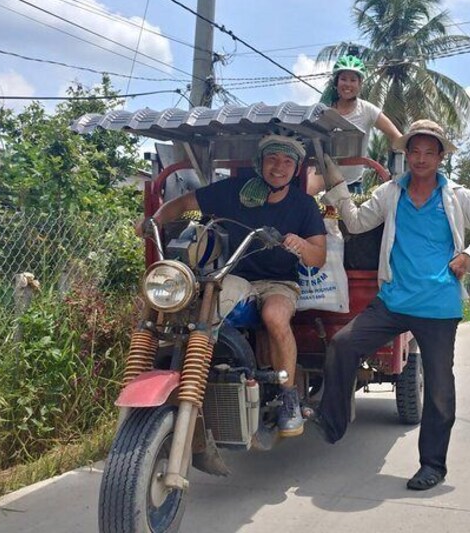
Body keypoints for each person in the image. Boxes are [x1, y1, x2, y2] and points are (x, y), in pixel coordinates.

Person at [308, 119, 470, 490]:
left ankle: (432, 466)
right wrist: (335, 186)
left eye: (430, 152)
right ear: (406, 153)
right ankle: (331, 423)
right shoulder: (390, 192)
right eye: (415, 150)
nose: (421, 158)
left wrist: (468, 255)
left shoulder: (458, 195)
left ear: (441, 157)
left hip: (439, 306)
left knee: (441, 389)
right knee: (344, 344)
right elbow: (358, 222)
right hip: (393, 300)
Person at [135, 134, 327, 437]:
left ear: (296, 168)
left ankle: (288, 395)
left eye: (288, 162)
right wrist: (155, 220)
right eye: (273, 159)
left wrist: (301, 244)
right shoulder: (233, 192)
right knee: (200, 310)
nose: (279, 167)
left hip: (279, 283)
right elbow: (185, 202)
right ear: (260, 162)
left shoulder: (303, 205)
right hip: (234, 276)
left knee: (275, 317)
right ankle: (194, 377)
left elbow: (318, 257)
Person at [309, 54, 402, 194]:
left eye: (353, 80)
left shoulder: (367, 110)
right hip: (324, 183)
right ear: (336, 82)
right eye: (343, 79)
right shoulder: (324, 111)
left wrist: (398, 171)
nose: (348, 84)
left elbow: (396, 137)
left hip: (352, 186)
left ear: (360, 84)